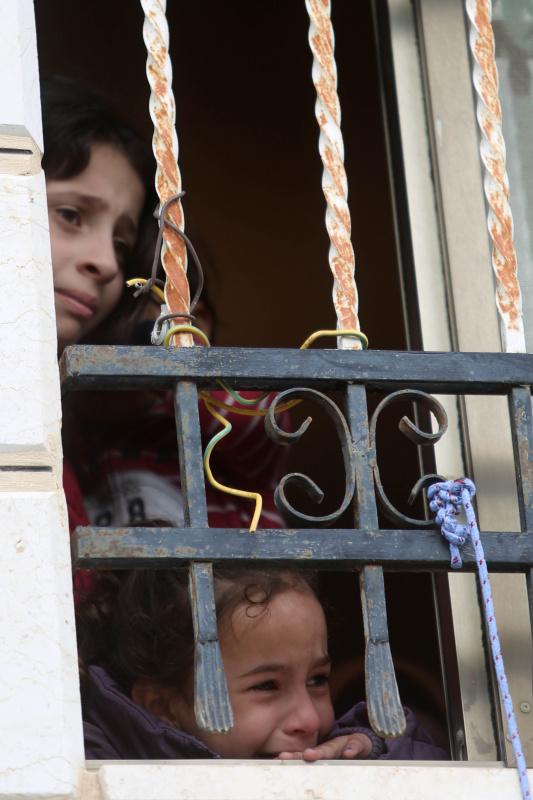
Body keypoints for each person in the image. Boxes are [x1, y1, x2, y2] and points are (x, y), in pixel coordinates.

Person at [42, 76, 286, 537]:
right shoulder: (70, 432)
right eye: (71, 215)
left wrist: (175, 375)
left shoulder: (206, 436)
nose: (106, 263)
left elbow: (270, 422)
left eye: (121, 244)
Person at [77, 566, 449, 760]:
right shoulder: (92, 765)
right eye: (267, 685)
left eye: (318, 680)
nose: (309, 720)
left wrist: (374, 750)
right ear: (163, 706)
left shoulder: (334, 754)